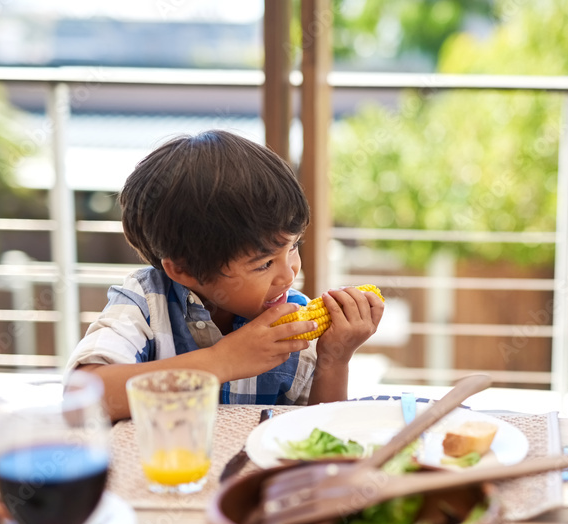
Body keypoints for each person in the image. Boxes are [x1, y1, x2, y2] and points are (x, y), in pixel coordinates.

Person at [66, 130, 384, 421]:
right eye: (263, 264)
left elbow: (318, 437)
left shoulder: (294, 327)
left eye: (293, 246)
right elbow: (80, 399)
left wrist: (334, 360)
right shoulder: (146, 303)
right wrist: (223, 360)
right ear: (185, 269)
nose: (288, 275)